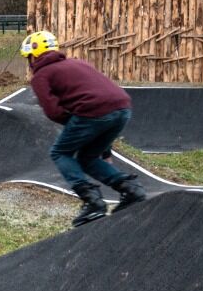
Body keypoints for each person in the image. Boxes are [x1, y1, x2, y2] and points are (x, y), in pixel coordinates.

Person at [20, 30, 146, 227]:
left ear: (34, 54)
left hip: (92, 112)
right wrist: (105, 150)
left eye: (28, 57)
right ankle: (131, 189)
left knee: (60, 152)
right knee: (87, 158)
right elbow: (102, 98)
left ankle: (92, 201)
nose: (29, 62)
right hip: (122, 108)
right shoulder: (79, 63)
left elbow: (53, 111)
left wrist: (75, 123)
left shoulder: (41, 76)